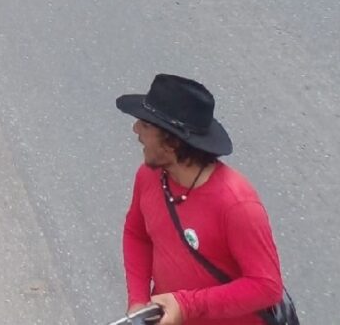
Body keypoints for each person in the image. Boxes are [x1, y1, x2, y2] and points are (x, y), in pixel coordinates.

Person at [117, 74, 286, 325]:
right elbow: (136, 233)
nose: (136, 130)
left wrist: (186, 305)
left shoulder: (237, 204)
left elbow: (267, 286)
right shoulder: (148, 176)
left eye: (146, 125)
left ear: (172, 141)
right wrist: (139, 302)